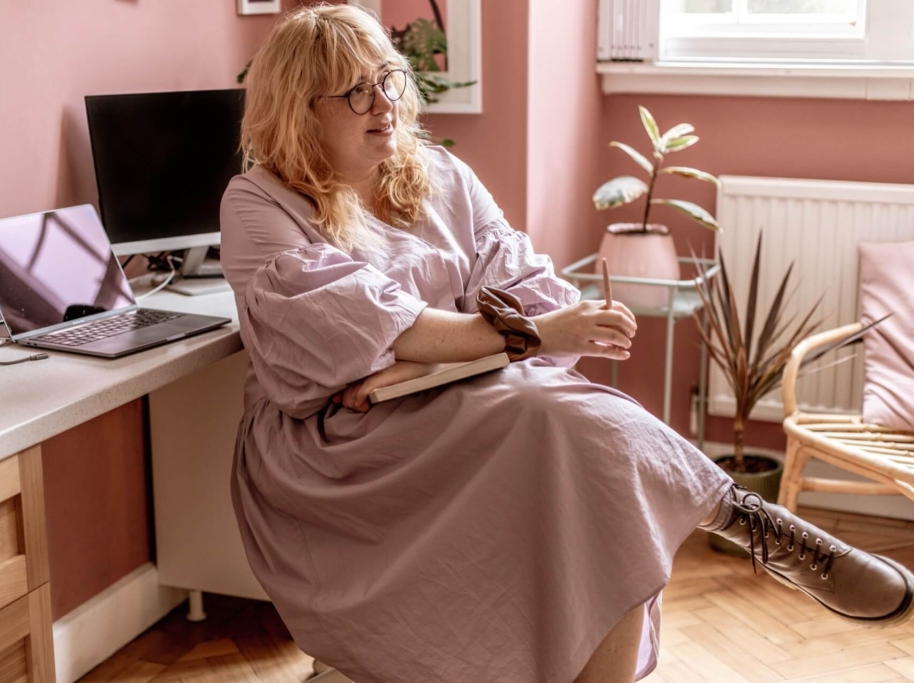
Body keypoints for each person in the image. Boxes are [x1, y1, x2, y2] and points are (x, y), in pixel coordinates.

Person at [219, 5, 914, 682]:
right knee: (575, 427)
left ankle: (757, 527)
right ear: (299, 111)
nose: (385, 102)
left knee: (594, 458)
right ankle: (761, 528)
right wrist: (495, 340)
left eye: (388, 78)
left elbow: (517, 285)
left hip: (456, 400)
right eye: (356, 91)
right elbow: (367, 324)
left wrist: (428, 358)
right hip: (342, 446)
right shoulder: (258, 204)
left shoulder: (439, 175)